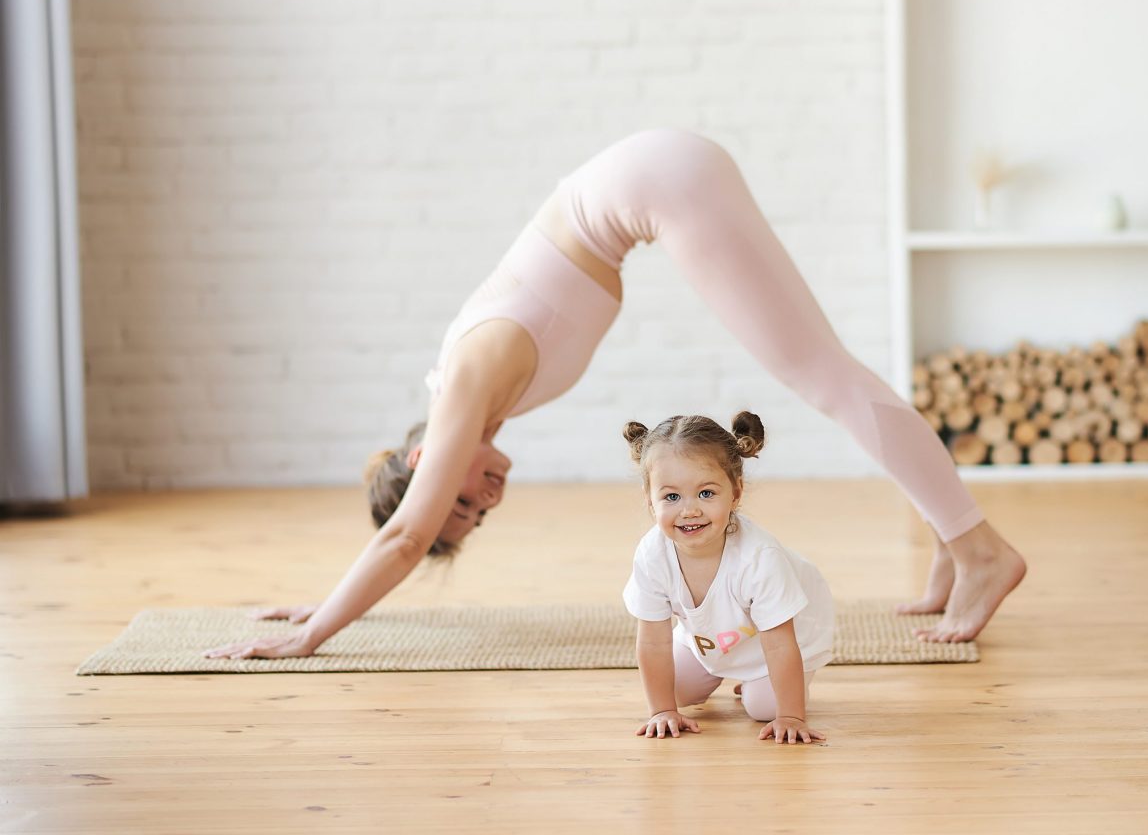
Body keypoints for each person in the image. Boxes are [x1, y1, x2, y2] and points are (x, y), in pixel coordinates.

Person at [204, 129, 1025, 661]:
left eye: (461, 499)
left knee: (824, 374)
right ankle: (957, 549)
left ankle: (980, 547)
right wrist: (333, 597)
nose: (486, 498)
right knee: (826, 372)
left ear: (425, 460)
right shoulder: (486, 399)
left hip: (659, 184)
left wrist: (316, 631)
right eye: (477, 515)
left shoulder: (462, 382)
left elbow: (402, 539)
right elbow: (406, 531)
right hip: (660, 179)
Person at [623, 412, 831, 745]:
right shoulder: (652, 554)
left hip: (781, 639)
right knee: (674, 690)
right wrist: (661, 710)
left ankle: (765, 682)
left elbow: (779, 644)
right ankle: (721, 671)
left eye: (706, 493)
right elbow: (652, 641)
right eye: (672, 497)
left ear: (735, 492)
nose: (689, 510)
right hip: (715, 638)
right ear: (651, 502)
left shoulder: (759, 559)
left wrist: (791, 716)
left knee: (765, 707)